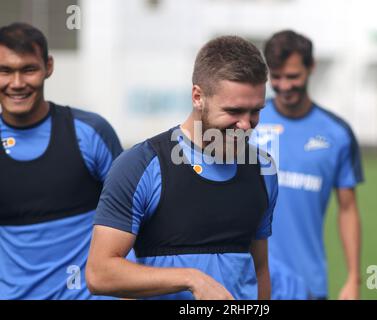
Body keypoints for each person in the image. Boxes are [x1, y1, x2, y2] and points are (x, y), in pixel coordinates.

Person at [86, 35, 278, 300]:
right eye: (234, 111)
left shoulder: (262, 169)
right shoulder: (141, 165)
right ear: (198, 97)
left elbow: (259, 270)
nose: (246, 125)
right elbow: (100, 273)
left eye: (255, 111)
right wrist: (191, 280)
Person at [0, 23, 123, 299]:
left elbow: (135, 215)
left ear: (48, 67)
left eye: (28, 69)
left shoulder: (90, 132)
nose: (17, 83)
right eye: (5, 71)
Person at [255, 30, 364, 299]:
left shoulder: (338, 134)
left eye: (292, 76)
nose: (284, 85)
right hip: (251, 281)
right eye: (276, 77)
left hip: (308, 285)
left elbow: (348, 209)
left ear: (311, 67)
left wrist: (353, 279)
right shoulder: (249, 123)